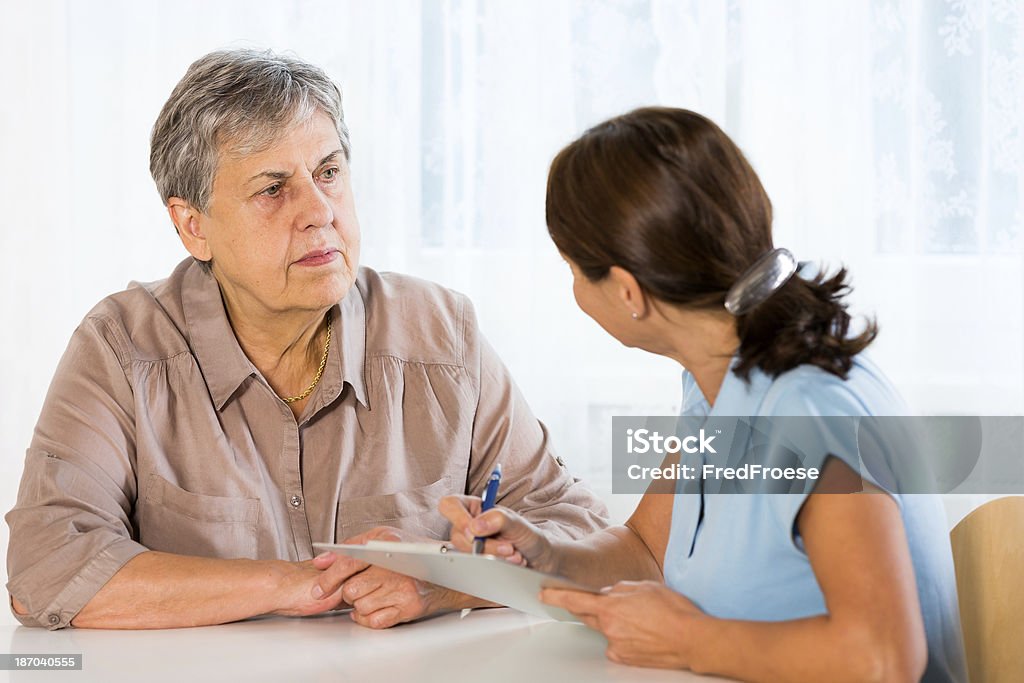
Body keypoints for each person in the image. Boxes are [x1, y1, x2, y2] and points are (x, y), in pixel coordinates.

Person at [5, 48, 608, 631]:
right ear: (193, 227)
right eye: (273, 189)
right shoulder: (121, 348)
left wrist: (447, 583)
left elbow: (579, 532)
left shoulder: (441, 333)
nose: (319, 211)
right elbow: (47, 568)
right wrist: (304, 584)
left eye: (328, 173)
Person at [441, 107, 966, 682]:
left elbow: (885, 659)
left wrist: (687, 639)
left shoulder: (810, 414)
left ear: (626, 292)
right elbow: (647, 550)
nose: (573, 289)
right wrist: (544, 554)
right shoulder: (717, 369)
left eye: (573, 270)